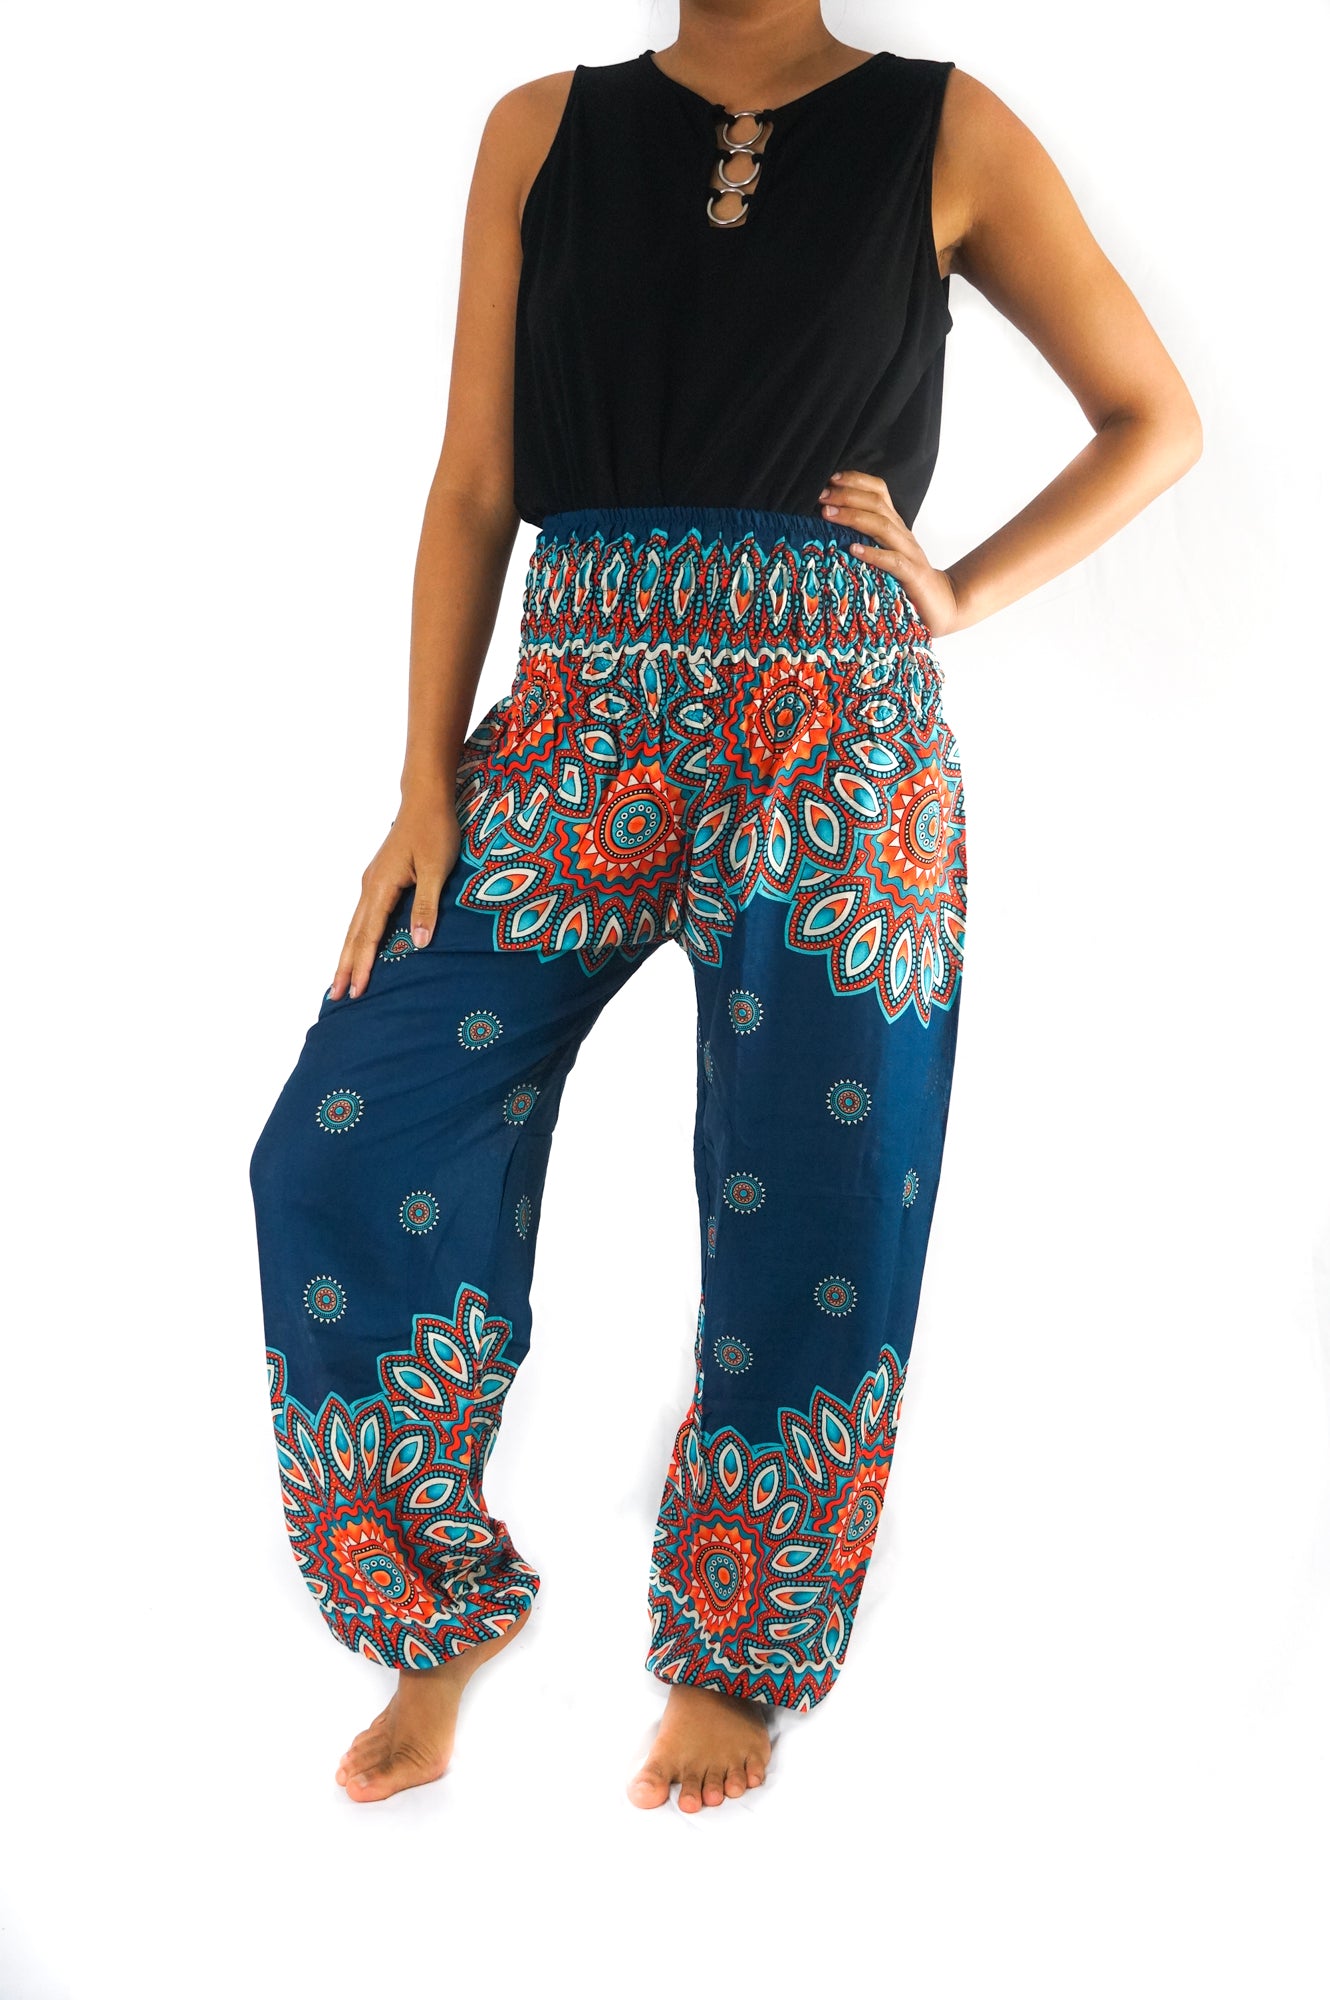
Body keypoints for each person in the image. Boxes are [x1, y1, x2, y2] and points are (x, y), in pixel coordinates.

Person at [248, 1, 1202, 1813]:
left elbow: (1152, 420)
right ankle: (428, 1603)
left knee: (818, 1183)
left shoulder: (944, 128)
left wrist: (956, 592)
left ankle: (739, 1646)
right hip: (571, 715)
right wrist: (424, 783)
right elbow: (476, 482)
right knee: (337, 1149)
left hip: (835, 736)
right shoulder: (540, 126)